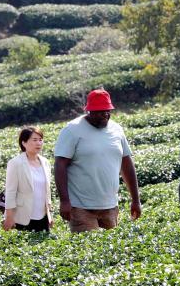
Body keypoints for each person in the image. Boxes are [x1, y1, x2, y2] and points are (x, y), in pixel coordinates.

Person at [54, 87, 141, 232]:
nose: (105, 114)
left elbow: (126, 164)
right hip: (81, 207)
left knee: (110, 251)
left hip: (110, 206)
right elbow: (60, 165)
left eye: (108, 110)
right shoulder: (72, 130)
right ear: (90, 110)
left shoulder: (117, 130)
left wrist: (136, 200)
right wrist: (64, 201)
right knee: (88, 250)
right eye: (100, 111)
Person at [3, 127, 53, 232]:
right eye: (34, 140)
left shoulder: (45, 162)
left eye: (40, 140)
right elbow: (10, 191)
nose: (38, 143)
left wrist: (50, 214)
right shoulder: (15, 163)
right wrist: (9, 217)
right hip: (22, 218)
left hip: (43, 218)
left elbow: (47, 192)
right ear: (24, 143)